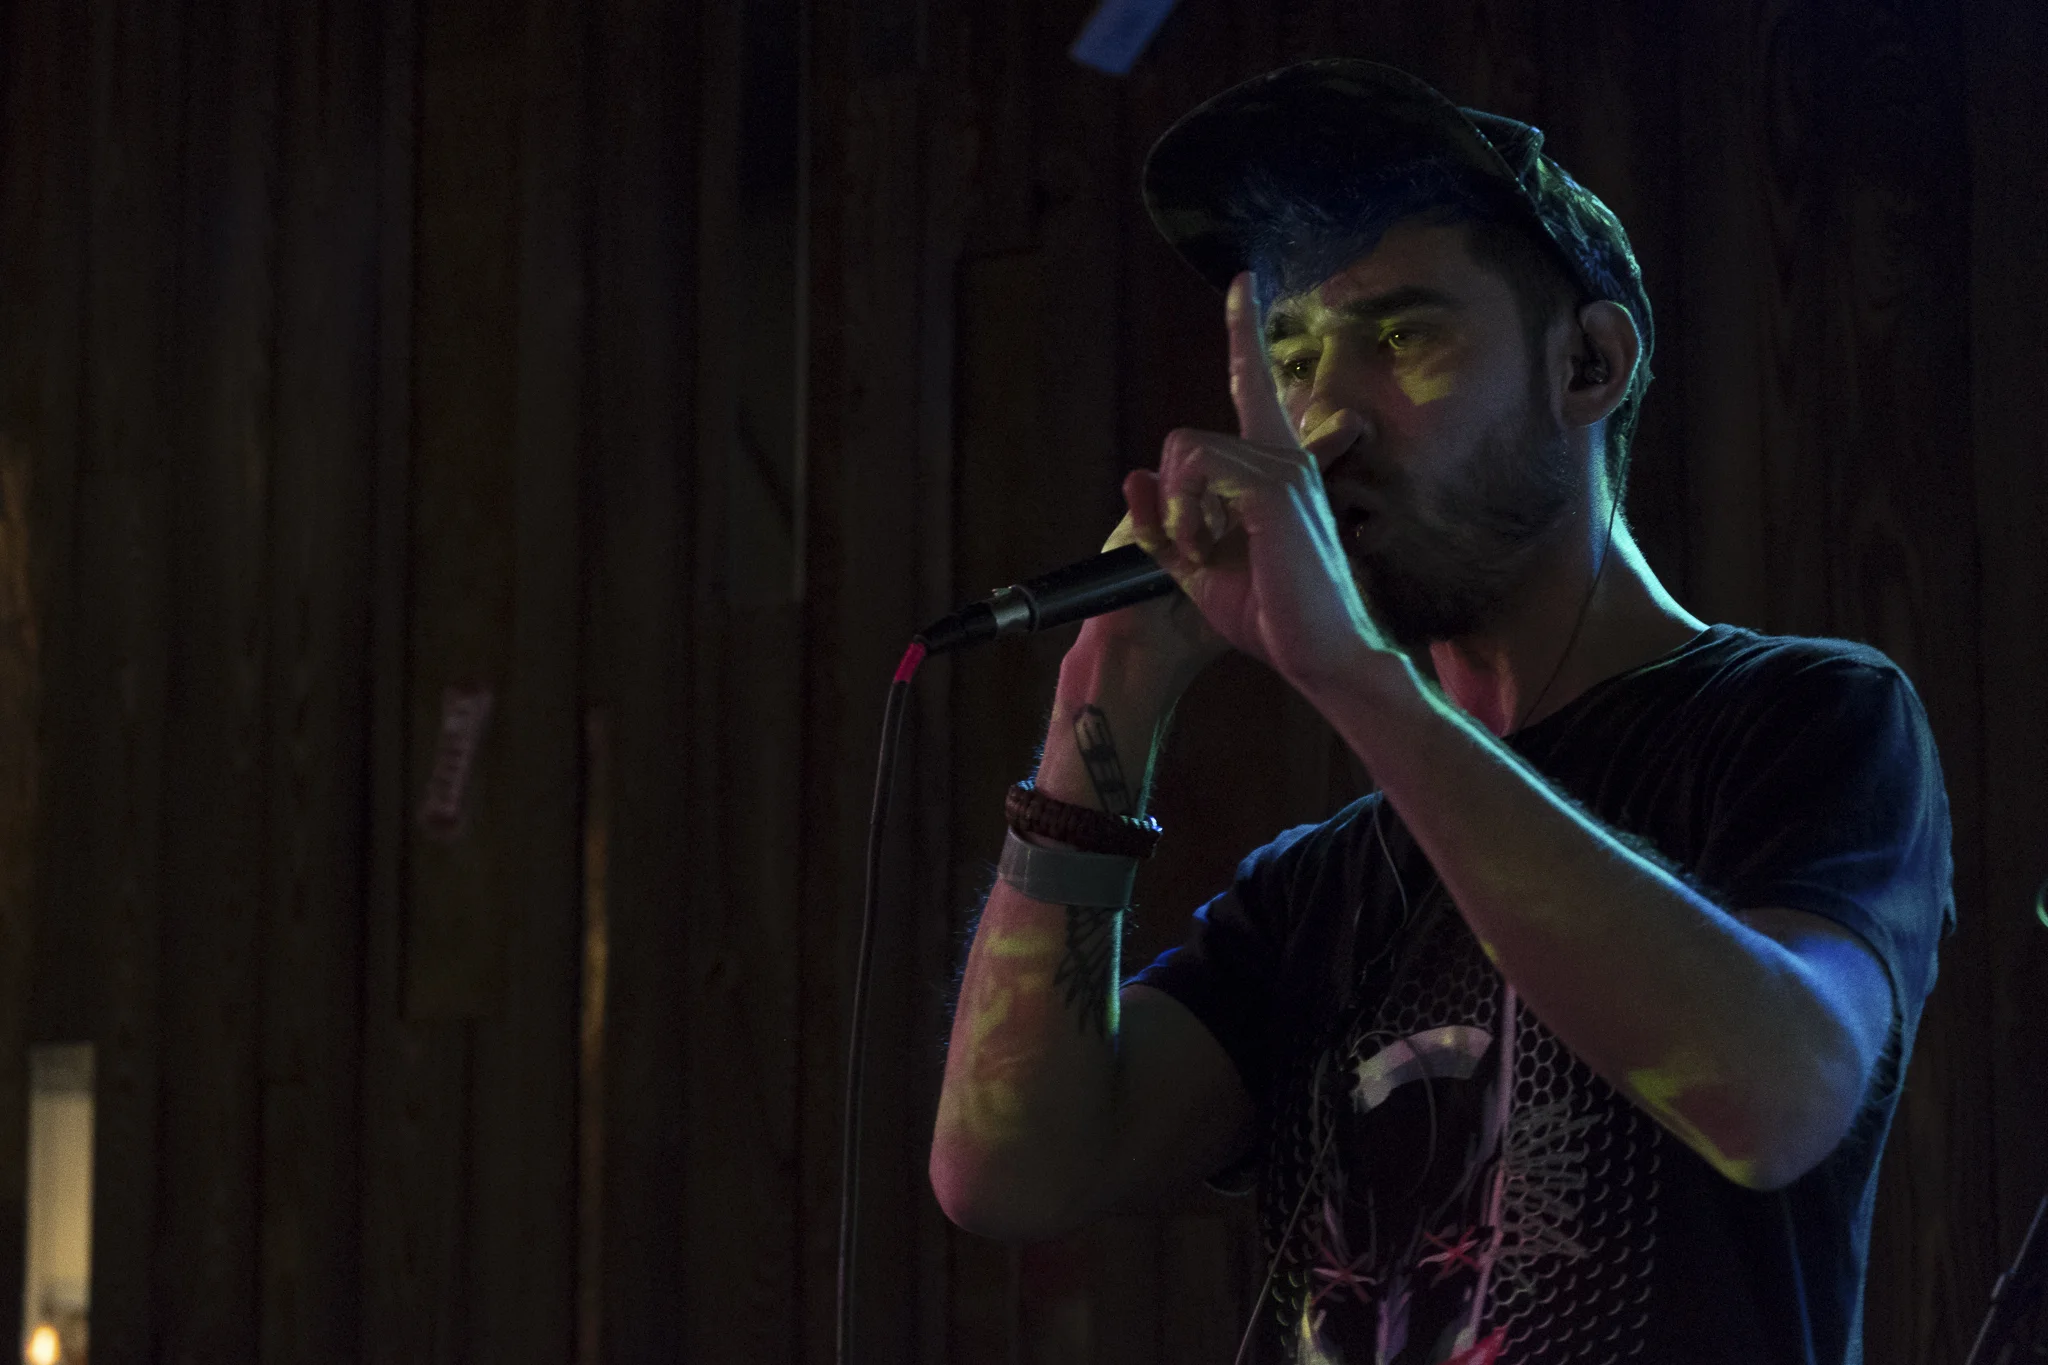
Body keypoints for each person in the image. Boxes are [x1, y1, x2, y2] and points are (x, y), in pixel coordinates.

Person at [928, 58, 1953, 1365]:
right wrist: (1108, 690)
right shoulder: (1317, 892)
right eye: (1293, 358)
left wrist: (1358, 676)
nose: (1325, 421)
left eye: (1403, 338)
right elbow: (1007, 1174)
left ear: (1587, 365)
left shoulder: (1802, 717)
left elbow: (1774, 1099)